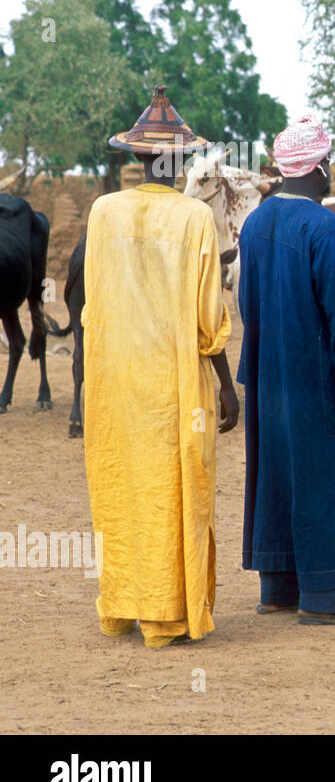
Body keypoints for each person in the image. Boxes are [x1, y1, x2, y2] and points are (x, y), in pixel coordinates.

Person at [86, 85, 239, 648]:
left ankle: (121, 604)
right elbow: (208, 317)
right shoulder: (194, 218)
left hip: (116, 382)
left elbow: (92, 306)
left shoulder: (103, 212)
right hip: (174, 383)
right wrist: (226, 386)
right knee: (176, 487)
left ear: (136, 157)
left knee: (124, 483)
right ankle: (168, 612)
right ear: (177, 160)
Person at [237, 115, 335, 624]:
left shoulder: (254, 222)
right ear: (318, 168)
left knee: (274, 475)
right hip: (317, 383)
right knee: (324, 479)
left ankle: (276, 588)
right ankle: (322, 599)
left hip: (268, 377)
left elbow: (246, 305)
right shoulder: (322, 227)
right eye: (328, 162)